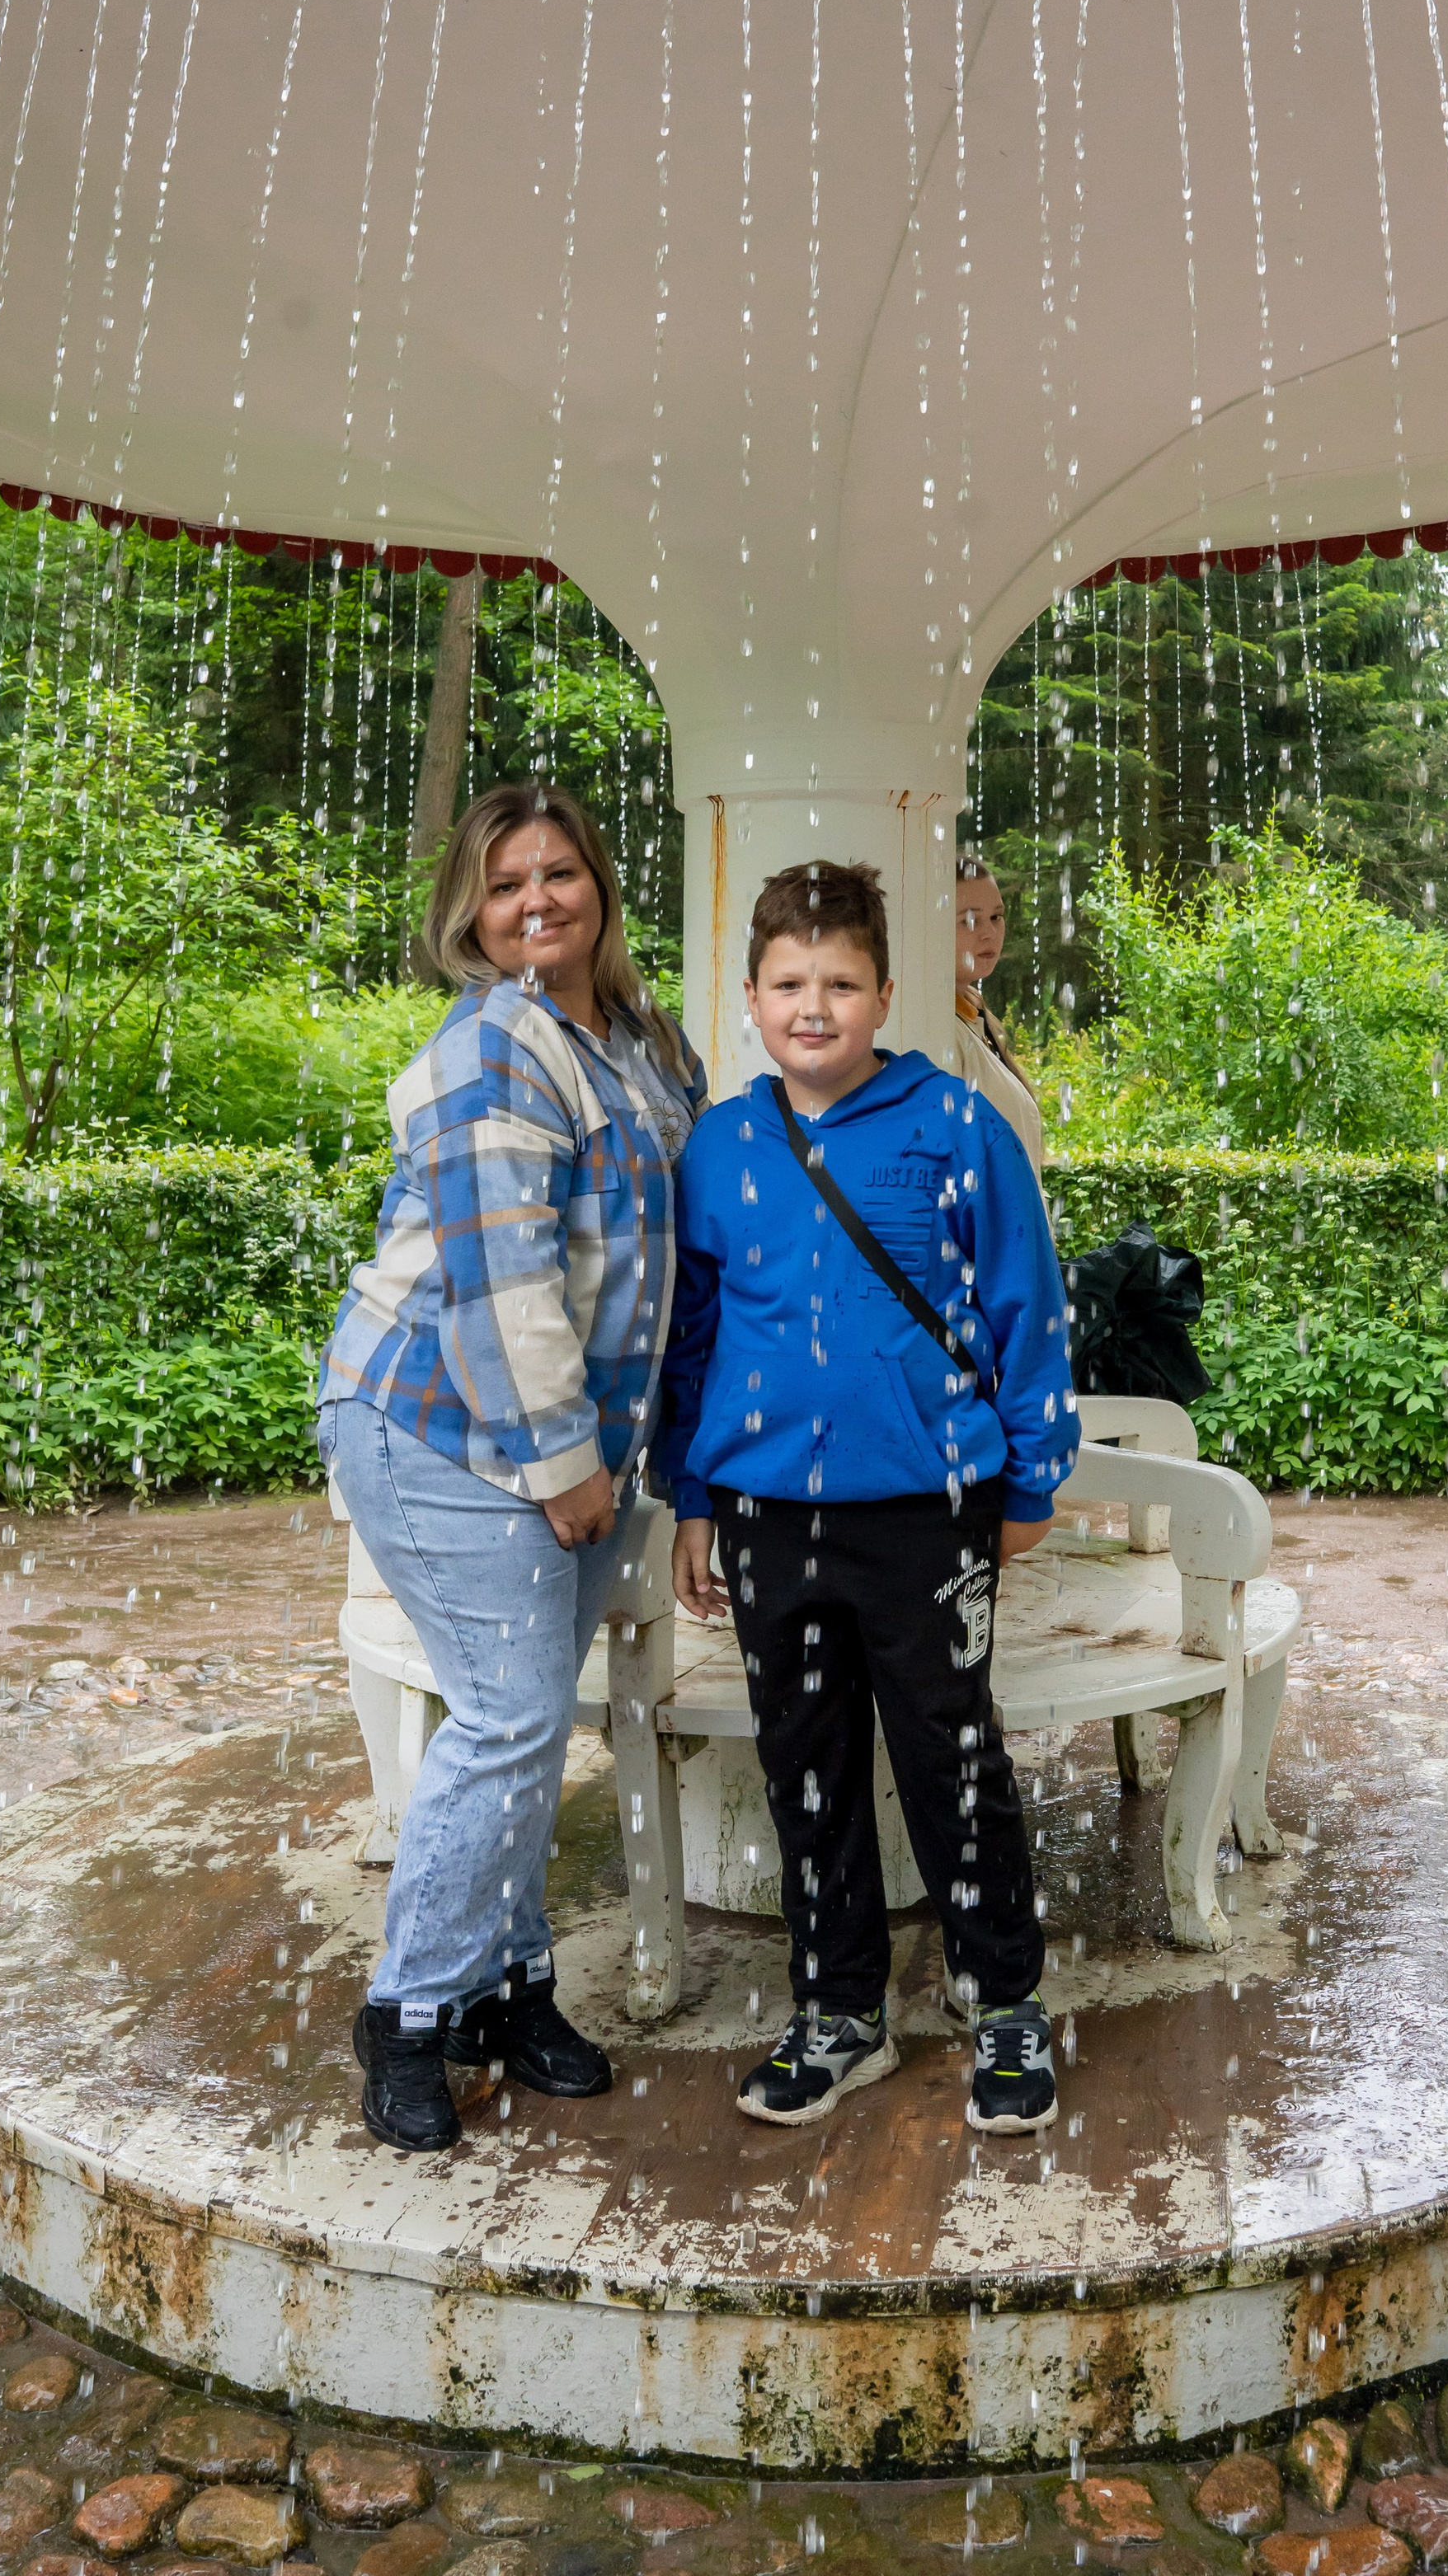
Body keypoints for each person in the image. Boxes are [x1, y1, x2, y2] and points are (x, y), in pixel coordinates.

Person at [656, 859, 1078, 2141]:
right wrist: (690, 1496)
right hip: (770, 1516)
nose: (815, 1006)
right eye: (790, 982)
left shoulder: (954, 1128)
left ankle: (1002, 1998)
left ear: (887, 992)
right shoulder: (722, 1146)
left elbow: (1025, 1300)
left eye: (841, 982)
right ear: (750, 997)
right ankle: (840, 2008)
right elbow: (695, 1335)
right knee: (810, 1764)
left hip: (926, 1508)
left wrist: (1028, 1475)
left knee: (954, 1752)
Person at [317, 781, 704, 2151]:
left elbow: (678, 1258)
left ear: (597, 884)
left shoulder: (643, 1043)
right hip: (441, 1425)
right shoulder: (495, 1050)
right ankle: (410, 2013)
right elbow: (499, 1286)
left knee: (528, 1715)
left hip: (567, 1439)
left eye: (556, 873)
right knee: (507, 1720)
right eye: (503, 886)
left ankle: (508, 1985)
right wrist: (562, 1469)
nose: (535, 900)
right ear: (471, 921)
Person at [952, 855, 1044, 1178]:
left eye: (997, 917)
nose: (990, 933)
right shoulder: (939, 1030)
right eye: (970, 920)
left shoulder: (973, 1018)